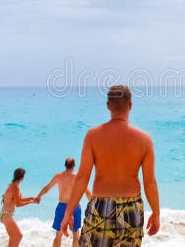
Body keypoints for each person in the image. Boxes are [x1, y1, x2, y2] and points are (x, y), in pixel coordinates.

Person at [61, 85, 161, 247]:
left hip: (101, 206)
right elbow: (150, 182)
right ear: (130, 105)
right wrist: (156, 213)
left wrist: (68, 212)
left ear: (108, 106)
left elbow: (82, 178)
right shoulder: (145, 140)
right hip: (131, 208)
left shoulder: (93, 136)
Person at [36, 157, 92, 247]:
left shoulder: (58, 176)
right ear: (74, 165)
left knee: (58, 235)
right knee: (76, 235)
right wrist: (95, 204)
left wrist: (39, 196)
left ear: (65, 165)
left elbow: (47, 188)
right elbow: (88, 194)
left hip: (62, 206)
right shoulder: (78, 177)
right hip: (75, 206)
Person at [0, 168, 39, 247]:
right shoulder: (15, 187)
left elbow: (20, 199)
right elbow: (18, 204)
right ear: (22, 178)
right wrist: (31, 202)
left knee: (13, 237)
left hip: (5, 215)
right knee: (19, 236)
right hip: (7, 216)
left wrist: (32, 198)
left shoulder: (13, 185)